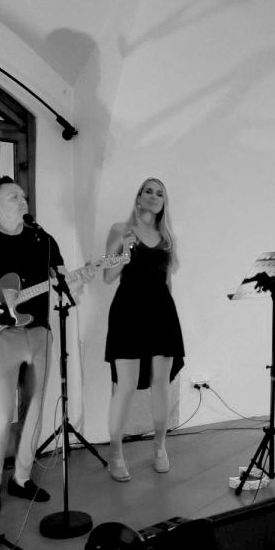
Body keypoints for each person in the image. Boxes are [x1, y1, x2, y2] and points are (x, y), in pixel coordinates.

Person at [0, 176, 92, 516]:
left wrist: (79, 280)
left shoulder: (43, 240)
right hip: (0, 337)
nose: (23, 201)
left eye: (23, 196)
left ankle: (22, 478)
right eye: (14, 197)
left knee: (35, 409)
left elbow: (64, 283)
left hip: (40, 332)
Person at [103, 178, 185, 482]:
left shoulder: (168, 238)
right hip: (128, 311)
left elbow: (167, 281)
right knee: (124, 387)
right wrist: (125, 249)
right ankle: (115, 454)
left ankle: (160, 447)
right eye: (148, 191)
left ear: (164, 203)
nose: (153, 196)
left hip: (161, 313)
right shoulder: (119, 229)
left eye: (159, 193)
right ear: (138, 197)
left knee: (161, 384)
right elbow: (107, 276)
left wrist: (169, 315)